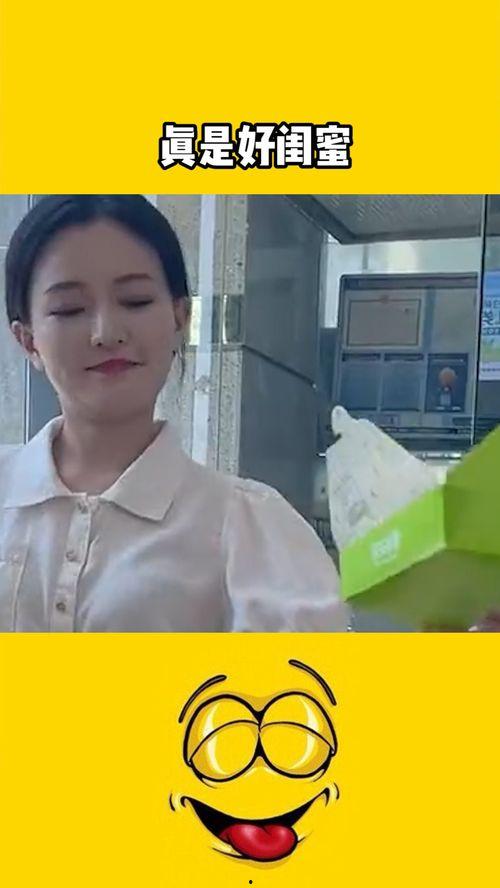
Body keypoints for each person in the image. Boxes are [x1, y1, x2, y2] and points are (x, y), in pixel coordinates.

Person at [0, 194, 350, 632]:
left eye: (135, 301)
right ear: (28, 340)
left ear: (180, 318)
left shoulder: (245, 528)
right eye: (69, 309)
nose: (107, 333)